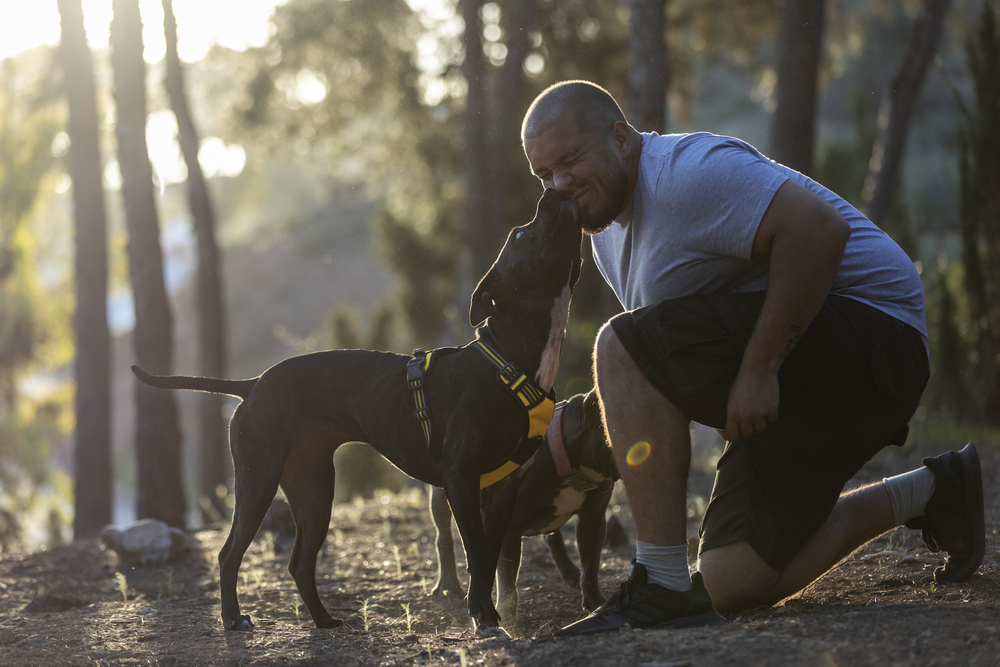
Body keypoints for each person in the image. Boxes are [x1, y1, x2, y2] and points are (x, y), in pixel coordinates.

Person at [520, 80, 985, 635]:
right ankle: (933, 490)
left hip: (877, 341)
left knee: (618, 343)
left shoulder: (687, 173)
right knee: (731, 580)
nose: (559, 186)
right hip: (799, 368)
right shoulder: (604, 233)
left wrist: (759, 369)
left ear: (620, 137)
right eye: (544, 175)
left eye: (570, 160)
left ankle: (660, 584)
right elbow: (663, 374)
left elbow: (818, 233)